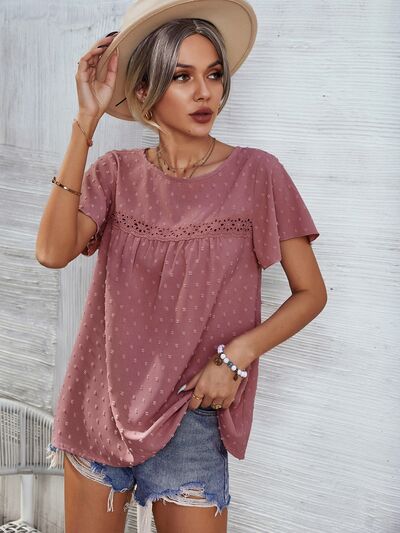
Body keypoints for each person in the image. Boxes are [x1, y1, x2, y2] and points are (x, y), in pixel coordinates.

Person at [36, 1, 327, 532]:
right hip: (99, 404)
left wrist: (238, 355)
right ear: (145, 90)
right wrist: (86, 120)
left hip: (192, 413)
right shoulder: (115, 174)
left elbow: (311, 293)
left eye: (213, 75)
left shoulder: (258, 174)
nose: (204, 93)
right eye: (182, 77)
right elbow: (52, 252)